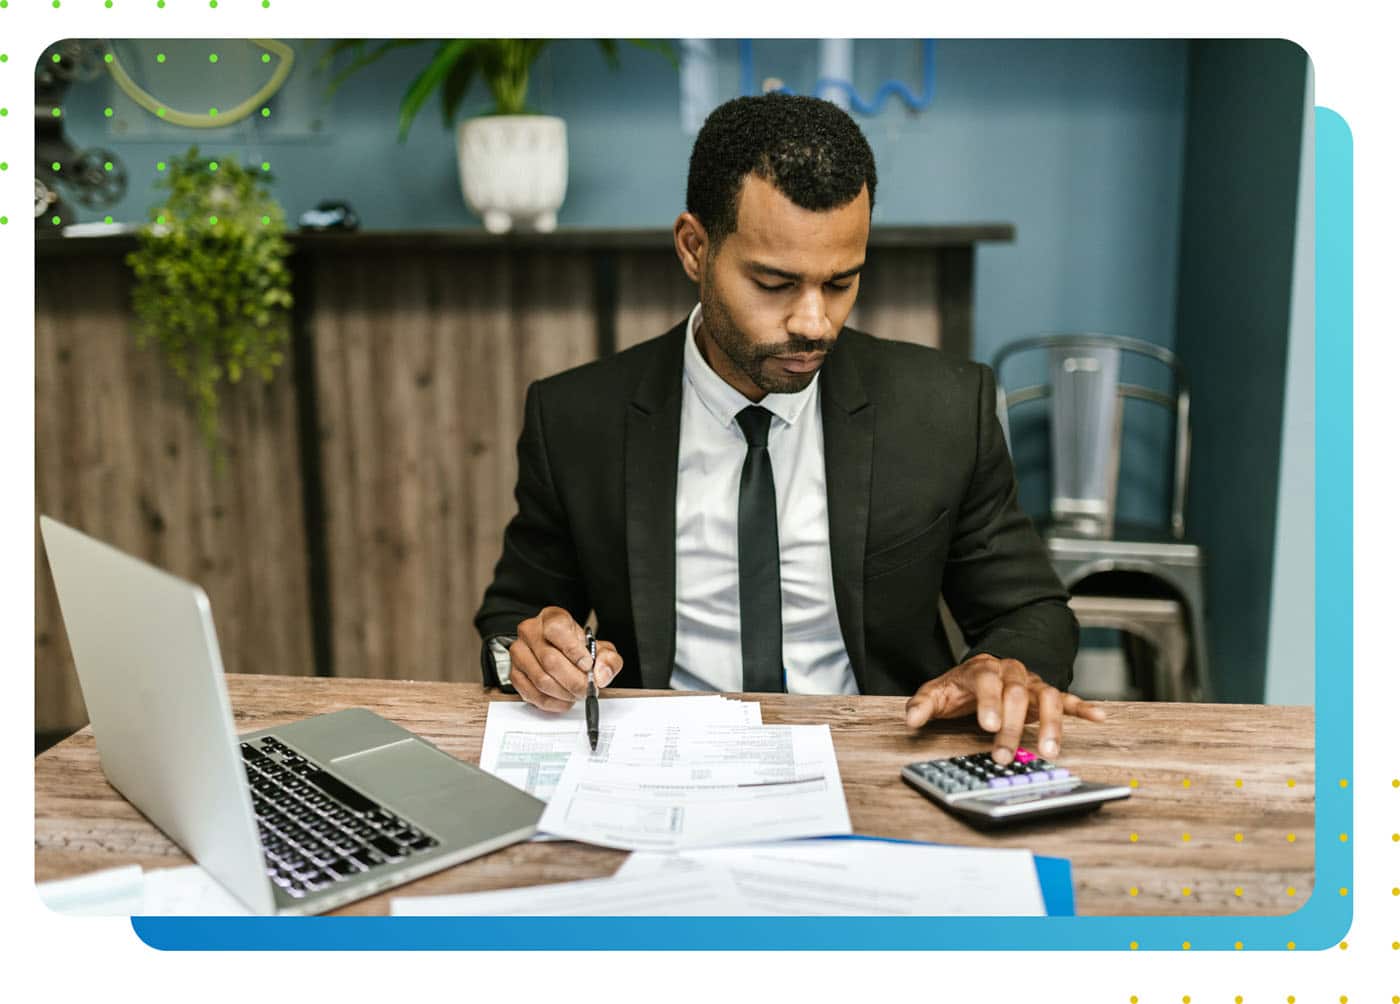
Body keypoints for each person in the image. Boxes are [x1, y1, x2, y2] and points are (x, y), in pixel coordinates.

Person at [475, 93, 1104, 765]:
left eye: (841, 283)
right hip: (658, 765)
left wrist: (1000, 664)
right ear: (695, 248)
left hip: (880, 759)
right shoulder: (577, 418)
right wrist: (529, 656)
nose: (813, 322)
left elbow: (1033, 612)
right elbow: (514, 619)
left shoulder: (947, 408)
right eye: (774, 282)